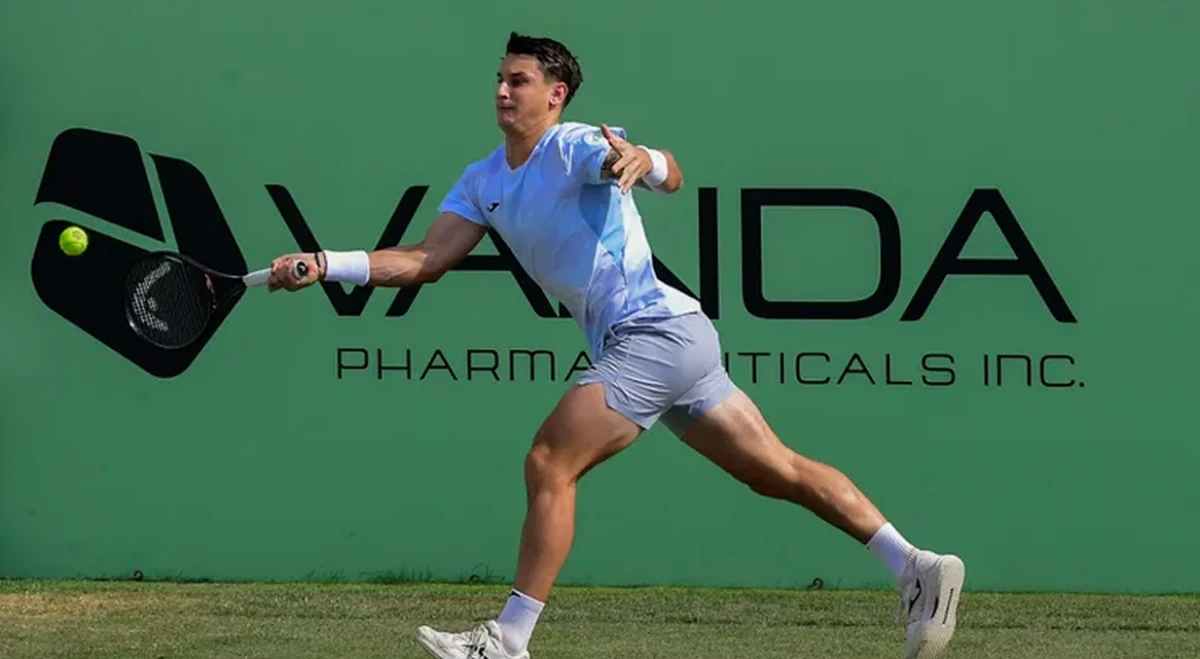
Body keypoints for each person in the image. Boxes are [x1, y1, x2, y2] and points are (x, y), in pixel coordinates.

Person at [266, 31, 966, 659]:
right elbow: (425, 260)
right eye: (500, 80)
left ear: (556, 94)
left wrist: (644, 159)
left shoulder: (573, 146)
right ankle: (915, 566)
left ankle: (507, 639)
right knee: (774, 469)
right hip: (678, 338)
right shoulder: (482, 179)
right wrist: (330, 262)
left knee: (549, 459)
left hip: (652, 333)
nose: (503, 90)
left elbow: (663, 169)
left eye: (520, 81)